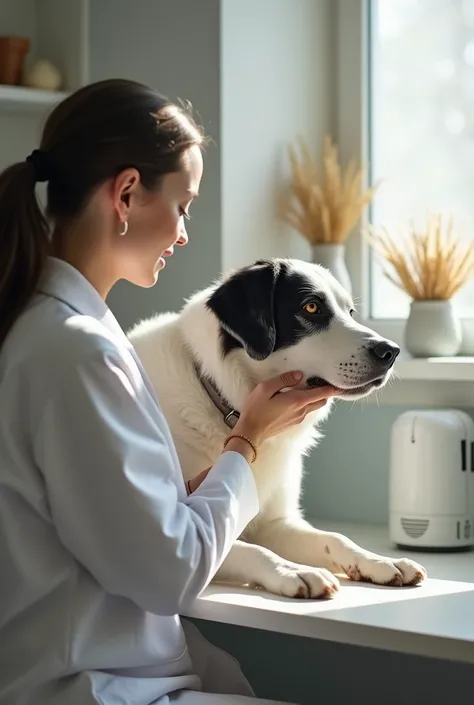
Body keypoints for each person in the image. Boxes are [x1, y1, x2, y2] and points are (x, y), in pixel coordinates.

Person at [0, 78, 336, 705]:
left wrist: (169, 498)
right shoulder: (78, 350)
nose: (183, 234)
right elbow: (170, 574)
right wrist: (247, 440)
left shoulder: (43, 328)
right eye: (183, 206)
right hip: (97, 689)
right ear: (126, 193)